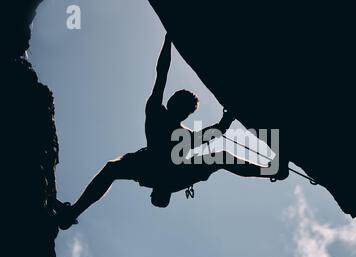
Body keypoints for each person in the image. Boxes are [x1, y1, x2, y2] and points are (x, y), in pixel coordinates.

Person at [56, 35, 287, 230]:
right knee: (113, 168)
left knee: (113, 169)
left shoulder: (164, 118)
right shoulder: (165, 119)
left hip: (161, 171)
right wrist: (168, 41)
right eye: (180, 106)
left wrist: (227, 118)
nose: (179, 109)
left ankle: (272, 169)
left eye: (182, 108)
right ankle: (272, 169)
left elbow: (213, 130)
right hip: (167, 172)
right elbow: (162, 73)